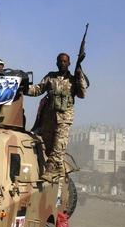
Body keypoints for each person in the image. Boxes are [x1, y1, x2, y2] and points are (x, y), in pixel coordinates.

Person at [23, 53, 87, 182]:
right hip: (49, 119)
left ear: (69, 63)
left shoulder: (73, 80)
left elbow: (82, 94)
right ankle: (60, 168)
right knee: (49, 147)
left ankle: (51, 170)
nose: (62, 63)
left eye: (65, 61)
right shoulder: (50, 77)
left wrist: (80, 74)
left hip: (64, 119)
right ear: (57, 63)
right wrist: (22, 89)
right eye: (60, 61)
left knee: (59, 146)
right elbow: (38, 89)